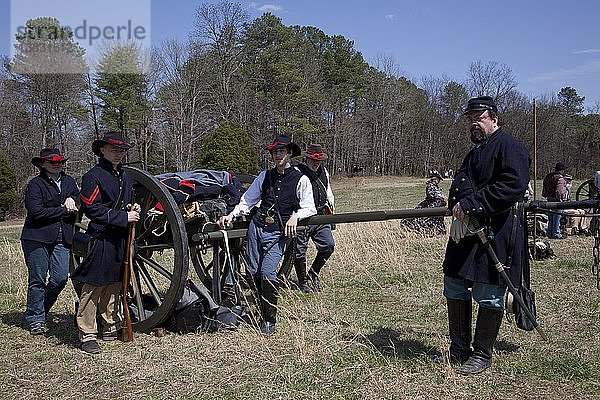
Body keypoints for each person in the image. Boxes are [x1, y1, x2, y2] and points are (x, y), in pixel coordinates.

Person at [441, 96, 530, 375]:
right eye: (470, 119)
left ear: (494, 118)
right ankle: (459, 348)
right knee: (454, 283)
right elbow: (461, 182)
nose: (473, 124)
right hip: (467, 232)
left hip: (497, 232)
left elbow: (512, 185)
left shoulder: (510, 147)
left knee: (489, 292)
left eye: (478, 118)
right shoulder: (474, 153)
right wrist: (463, 203)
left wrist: (471, 204)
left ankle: (482, 353)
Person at [218, 134, 316, 335]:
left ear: (289, 154)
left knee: (268, 273)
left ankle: (269, 320)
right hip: (257, 228)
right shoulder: (264, 176)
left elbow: (310, 207)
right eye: (275, 152)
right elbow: (248, 200)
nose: (278, 155)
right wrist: (232, 215)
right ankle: (261, 311)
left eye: (282, 151)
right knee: (253, 273)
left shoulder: (301, 179)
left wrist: (296, 216)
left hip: (278, 233)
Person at [71, 132, 140, 354]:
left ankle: (109, 324)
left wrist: (133, 209)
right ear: (102, 150)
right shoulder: (93, 176)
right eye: (114, 150)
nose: (118, 154)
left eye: (121, 151)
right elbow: (92, 207)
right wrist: (122, 217)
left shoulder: (125, 176)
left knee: (114, 284)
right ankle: (87, 333)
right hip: (102, 235)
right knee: (94, 284)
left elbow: (127, 201)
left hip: (120, 237)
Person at [21, 149, 79, 335]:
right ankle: (35, 319)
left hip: (63, 237)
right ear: (42, 164)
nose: (56, 164)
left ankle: (40, 309)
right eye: (51, 162)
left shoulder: (69, 182)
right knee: (37, 279)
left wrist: (73, 198)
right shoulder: (35, 185)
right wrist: (63, 210)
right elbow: (36, 212)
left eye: (59, 161)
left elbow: (79, 200)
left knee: (60, 279)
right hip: (37, 237)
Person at [293, 144, 335, 293]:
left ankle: (313, 273)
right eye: (312, 159)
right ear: (306, 158)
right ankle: (303, 282)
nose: (315, 162)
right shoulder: (297, 172)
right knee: (299, 251)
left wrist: (332, 213)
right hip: (303, 217)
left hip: (320, 215)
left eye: (318, 160)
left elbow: (328, 191)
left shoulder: (324, 172)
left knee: (328, 245)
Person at [401, 171, 447, 236]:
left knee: (435, 220)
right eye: (438, 179)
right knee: (423, 218)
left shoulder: (436, 187)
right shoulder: (430, 186)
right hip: (431, 206)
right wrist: (443, 197)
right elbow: (433, 194)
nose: (439, 181)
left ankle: (436, 232)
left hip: (437, 206)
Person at [542, 162, 568, 238]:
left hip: (549, 198)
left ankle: (549, 233)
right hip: (556, 199)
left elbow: (544, 186)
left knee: (550, 216)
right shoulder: (560, 178)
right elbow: (559, 191)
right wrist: (559, 198)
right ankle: (556, 233)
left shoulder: (548, 176)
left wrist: (545, 194)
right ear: (562, 170)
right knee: (557, 216)